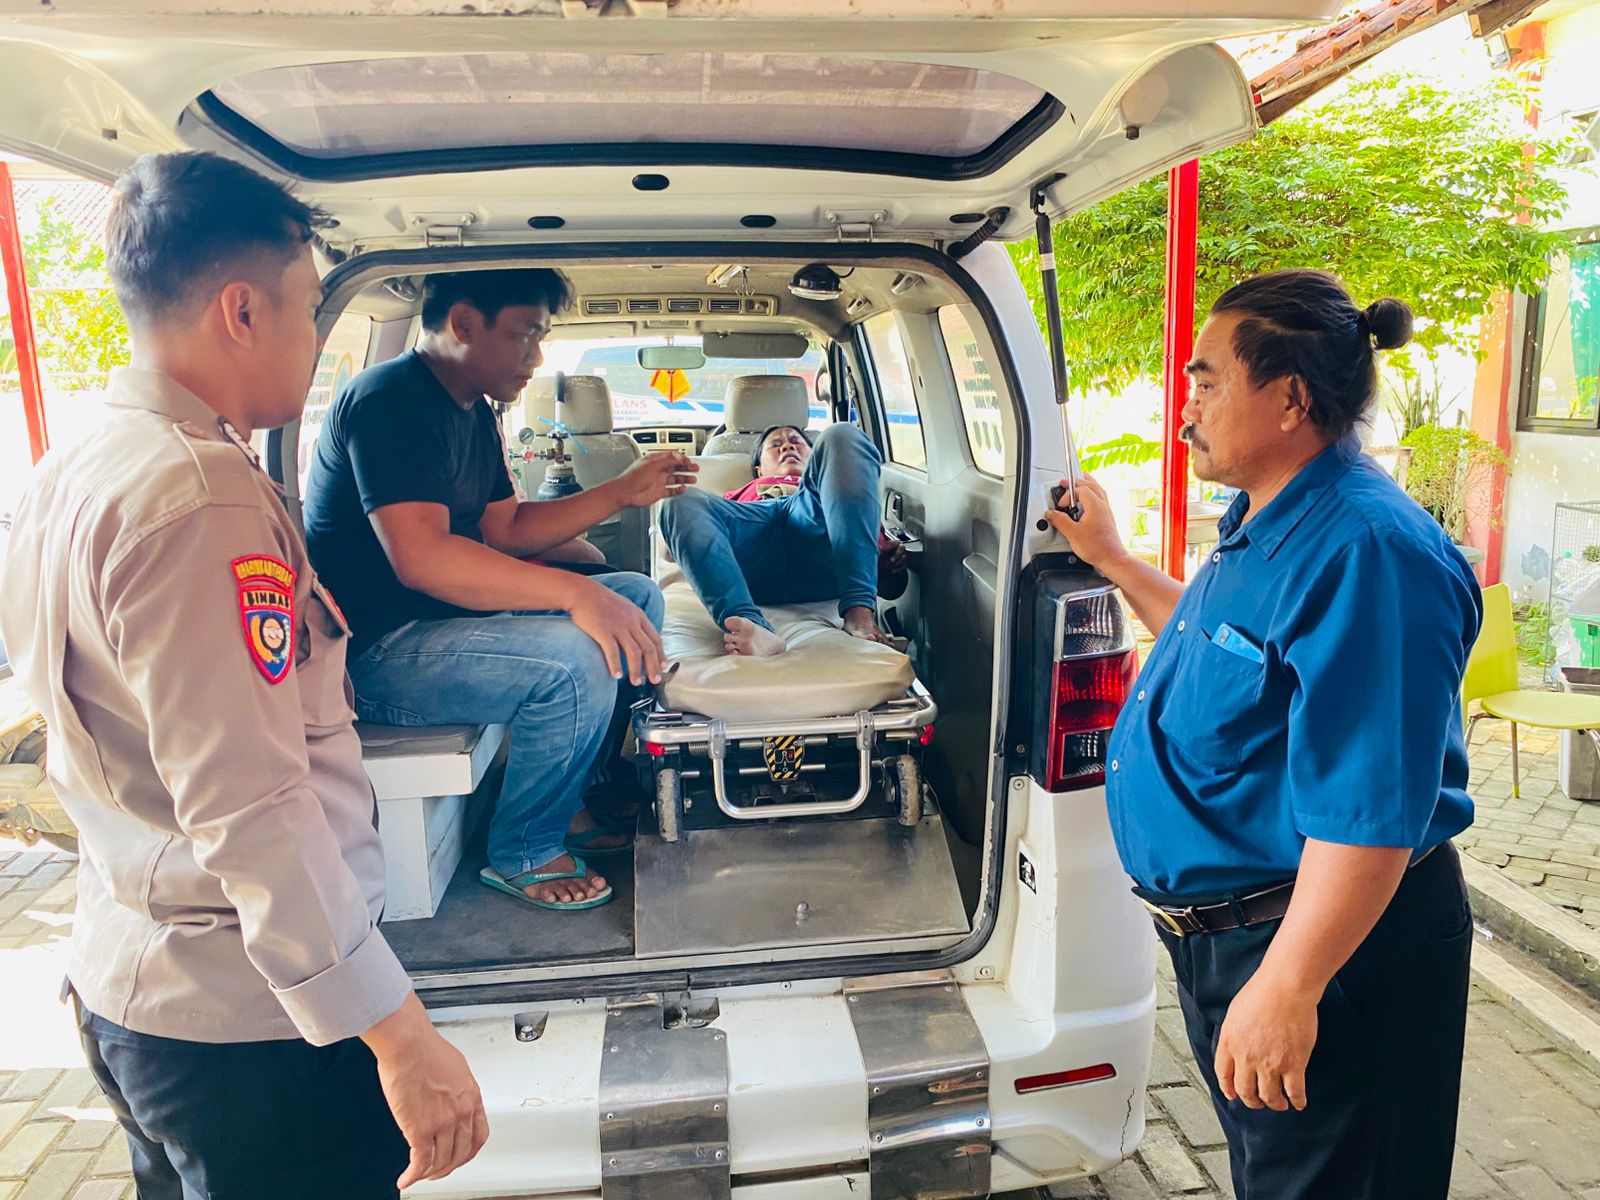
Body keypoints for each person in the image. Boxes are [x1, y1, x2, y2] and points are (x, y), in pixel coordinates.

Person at [0, 151, 486, 1200]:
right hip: (252, 1037)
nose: (313, 344)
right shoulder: (202, 499)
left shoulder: (73, 467)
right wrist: (399, 1035)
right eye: (308, 310)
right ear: (241, 311)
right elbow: (252, 804)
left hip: (133, 987)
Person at [1045, 269, 1481, 1200]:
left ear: (1289, 400)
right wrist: (1114, 559)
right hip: (1244, 944)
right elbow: (1226, 654)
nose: (1186, 410)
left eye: (1206, 383)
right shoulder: (1267, 521)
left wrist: (1289, 986)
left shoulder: (1367, 551)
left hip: (1331, 954)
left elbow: (1371, 815)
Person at [303, 270, 694, 909]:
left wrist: (622, 492)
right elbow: (422, 559)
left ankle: (572, 797)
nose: (536, 357)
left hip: (443, 625)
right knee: (573, 662)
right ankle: (525, 851)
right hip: (373, 654)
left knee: (636, 595)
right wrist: (574, 594)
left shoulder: (472, 412)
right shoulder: (390, 402)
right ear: (463, 324)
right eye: (524, 336)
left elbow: (504, 530)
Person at [658, 422, 899, 657]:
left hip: (815, 531)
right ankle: (751, 625)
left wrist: (887, 566)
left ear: (816, 458)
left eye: (796, 442)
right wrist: (677, 522)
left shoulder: (839, 491)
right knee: (679, 497)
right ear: (759, 470)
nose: (787, 447)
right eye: (775, 445)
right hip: (749, 546)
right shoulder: (731, 499)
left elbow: (889, 581)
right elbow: (671, 549)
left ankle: (859, 613)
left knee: (842, 434)